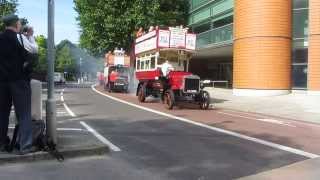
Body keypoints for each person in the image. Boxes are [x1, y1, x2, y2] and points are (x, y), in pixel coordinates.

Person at [0, 14, 34, 154]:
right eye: (19, 23)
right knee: (24, 113)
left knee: (2, 113)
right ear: (16, 24)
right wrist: (30, 35)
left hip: (1, 82)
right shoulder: (20, 38)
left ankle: (2, 143)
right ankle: (24, 146)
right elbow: (33, 50)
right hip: (19, 81)